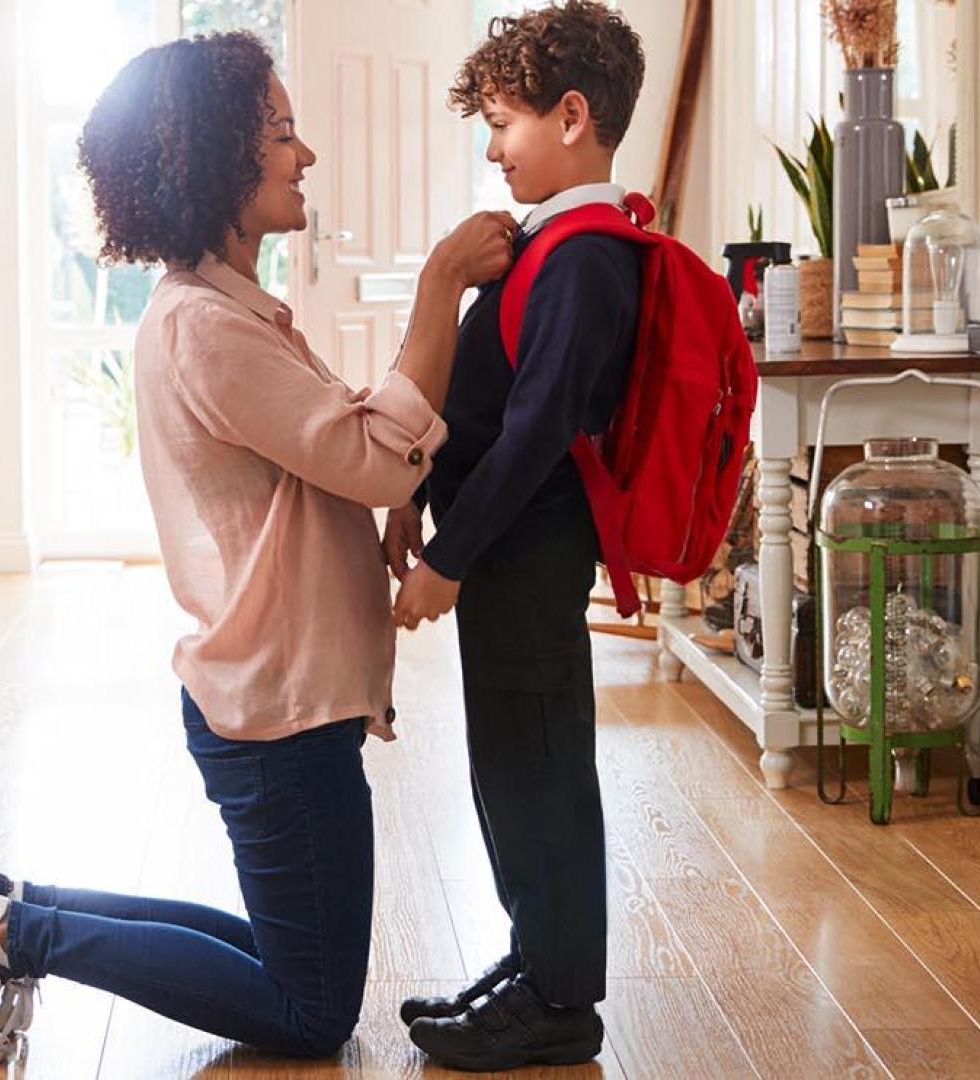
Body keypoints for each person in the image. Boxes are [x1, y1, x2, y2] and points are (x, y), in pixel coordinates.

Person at [0, 31, 517, 1066]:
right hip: (279, 713)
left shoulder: (228, 312)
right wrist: (439, 289)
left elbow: (332, 461)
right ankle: (16, 936)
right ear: (213, 162)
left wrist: (379, 495)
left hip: (279, 699)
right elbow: (377, 456)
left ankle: (9, 908)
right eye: (282, 134)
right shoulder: (208, 328)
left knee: (293, 961)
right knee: (309, 1008)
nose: (307, 155)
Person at [383, 1, 647, 1070]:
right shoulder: (548, 243)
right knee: (507, 764)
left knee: (538, 768)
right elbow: (493, 402)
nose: (492, 148)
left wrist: (449, 557)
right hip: (506, 549)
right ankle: (537, 963)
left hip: (528, 552)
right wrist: (420, 495)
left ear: (572, 115)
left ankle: (561, 999)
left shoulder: (587, 255)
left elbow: (540, 430)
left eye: (503, 122)